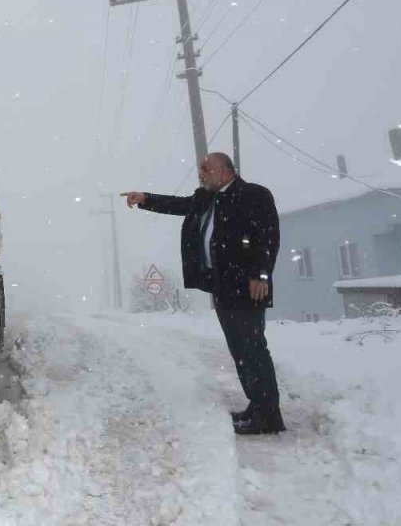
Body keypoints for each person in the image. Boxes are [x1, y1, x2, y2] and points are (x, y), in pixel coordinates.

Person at [120, 153, 285, 435]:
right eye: (201, 169)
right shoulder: (207, 198)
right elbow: (179, 205)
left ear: (225, 170)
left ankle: (268, 415)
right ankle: (257, 406)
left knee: (252, 348)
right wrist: (145, 198)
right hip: (222, 285)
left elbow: (268, 237)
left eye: (206, 168)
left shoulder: (253, 194)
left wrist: (261, 274)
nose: (201, 173)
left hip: (247, 285)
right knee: (240, 351)